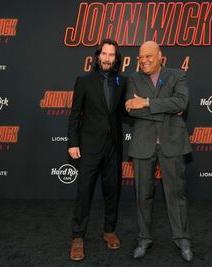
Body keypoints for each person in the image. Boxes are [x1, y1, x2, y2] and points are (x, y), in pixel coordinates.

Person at [125, 41, 193, 262]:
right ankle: (144, 238)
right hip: (143, 144)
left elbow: (182, 101)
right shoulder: (133, 78)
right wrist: (169, 110)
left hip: (172, 143)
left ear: (160, 57)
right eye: (140, 57)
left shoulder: (177, 75)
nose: (143, 60)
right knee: (142, 195)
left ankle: (182, 238)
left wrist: (145, 102)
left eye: (148, 56)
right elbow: (130, 111)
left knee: (176, 193)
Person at [67, 39, 126, 261]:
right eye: (105, 54)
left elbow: (125, 112)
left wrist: (159, 111)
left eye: (112, 55)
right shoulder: (83, 81)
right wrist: (73, 142)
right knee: (84, 192)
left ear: (116, 59)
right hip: (89, 146)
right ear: (98, 56)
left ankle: (109, 230)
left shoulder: (122, 81)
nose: (108, 58)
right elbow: (75, 115)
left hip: (114, 146)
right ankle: (77, 237)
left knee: (112, 189)